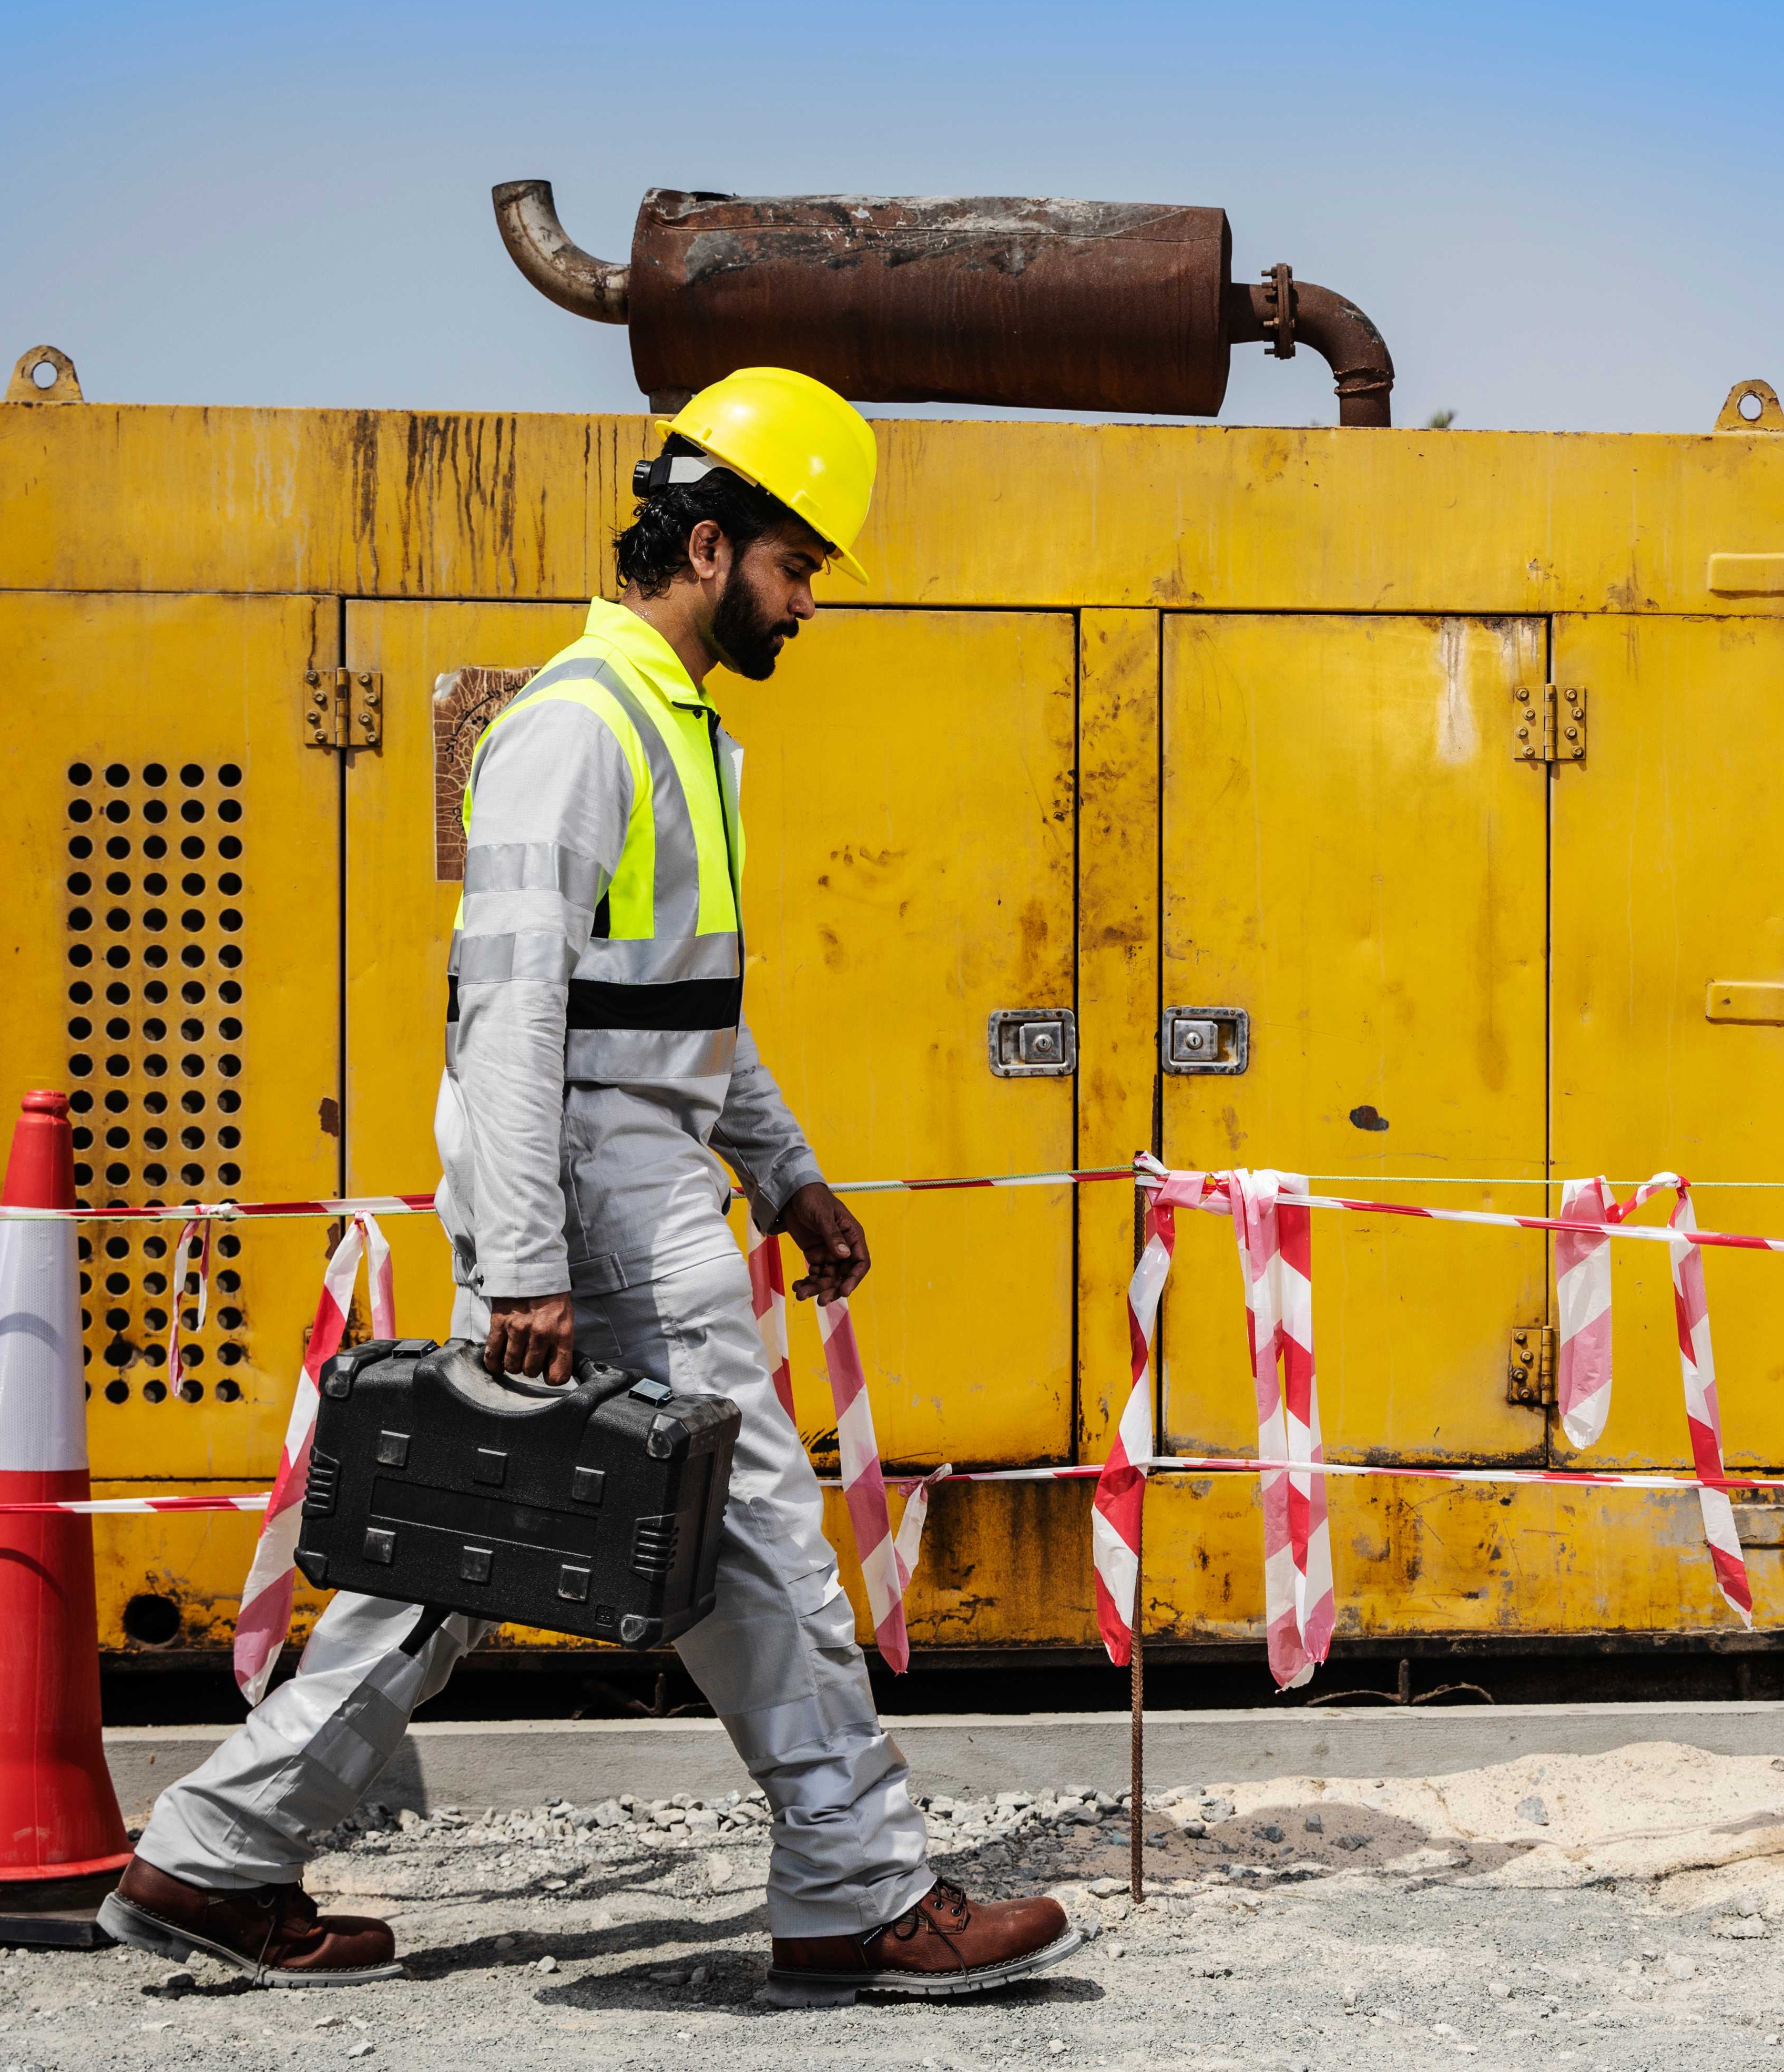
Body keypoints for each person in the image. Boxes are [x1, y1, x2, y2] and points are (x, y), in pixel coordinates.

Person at [99, 368, 1079, 2005]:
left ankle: (212, 1858)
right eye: (794, 564)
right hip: (597, 1202)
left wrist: (784, 1168)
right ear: (707, 546)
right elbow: (514, 1012)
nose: (808, 599)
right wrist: (531, 1265)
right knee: (759, 1533)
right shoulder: (577, 727)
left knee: (465, 1540)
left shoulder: (681, 731)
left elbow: (678, 1002)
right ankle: (862, 1889)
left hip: (626, 1178)